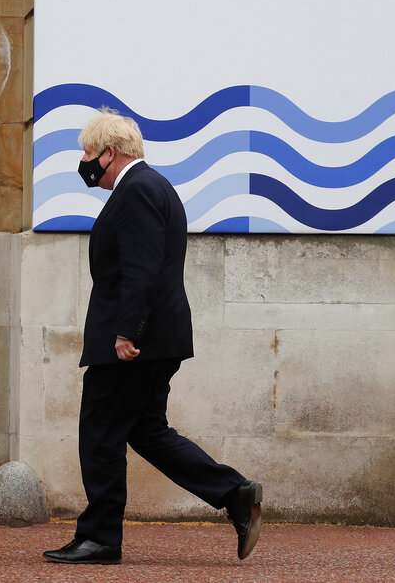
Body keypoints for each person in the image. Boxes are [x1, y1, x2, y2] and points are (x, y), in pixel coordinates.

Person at [43, 109, 262, 566]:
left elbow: (141, 270)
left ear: (110, 152)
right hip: (155, 339)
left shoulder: (139, 190)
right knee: (145, 430)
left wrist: (126, 333)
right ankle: (234, 493)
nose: (84, 162)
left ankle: (100, 538)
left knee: (100, 435)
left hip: (134, 344)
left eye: (88, 152)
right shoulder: (149, 187)